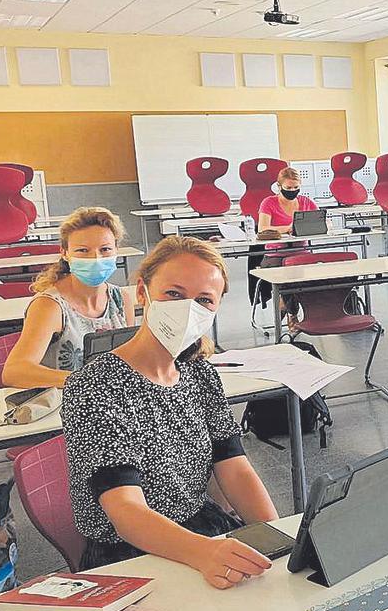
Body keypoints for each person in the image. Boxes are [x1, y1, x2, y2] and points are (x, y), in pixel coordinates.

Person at [62, 236, 278, 587]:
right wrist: (204, 553)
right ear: (143, 292)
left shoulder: (200, 372)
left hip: (200, 528)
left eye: (204, 300)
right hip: (132, 551)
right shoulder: (96, 386)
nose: (187, 309)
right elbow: (125, 511)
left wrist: (277, 537)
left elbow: (235, 468)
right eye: (174, 294)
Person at [3, 207, 134, 388]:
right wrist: (84, 382)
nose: (95, 258)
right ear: (65, 253)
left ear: (116, 250)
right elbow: (14, 372)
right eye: (82, 250)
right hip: (64, 405)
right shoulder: (50, 306)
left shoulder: (121, 299)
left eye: (105, 249)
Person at [249, 167, 320, 308]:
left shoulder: (306, 202)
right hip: (275, 255)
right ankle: (291, 314)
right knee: (289, 277)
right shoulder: (269, 202)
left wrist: (323, 225)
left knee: (319, 276)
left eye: (296, 187)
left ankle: (311, 314)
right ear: (279, 186)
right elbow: (263, 228)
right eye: (288, 187)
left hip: (302, 253)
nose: (292, 190)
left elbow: (321, 221)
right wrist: (288, 228)